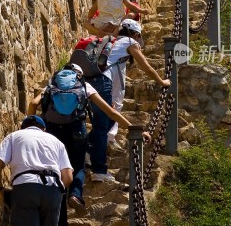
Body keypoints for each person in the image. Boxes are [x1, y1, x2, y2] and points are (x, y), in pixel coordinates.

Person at [27, 62, 147, 226]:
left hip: (52, 132)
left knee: (56, 173)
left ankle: (60, 224)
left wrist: (29, 130)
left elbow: (33, 103)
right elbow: (110, 112)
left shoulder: (52, 84)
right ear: (79, 74)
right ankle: (76, 194)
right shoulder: (84, 85)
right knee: (78, 167)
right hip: (76, 129)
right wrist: (135, 129)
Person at [72, 20, 171, 182]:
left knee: (108, 119)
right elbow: (147, 67)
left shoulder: (111, 40)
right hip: (102, 82)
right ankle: (99, 170)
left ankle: (88, 152)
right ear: (136, 34)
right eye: (139, 36)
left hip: (88, 80)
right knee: (103, 124)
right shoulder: (130, 42)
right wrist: (162, 82)